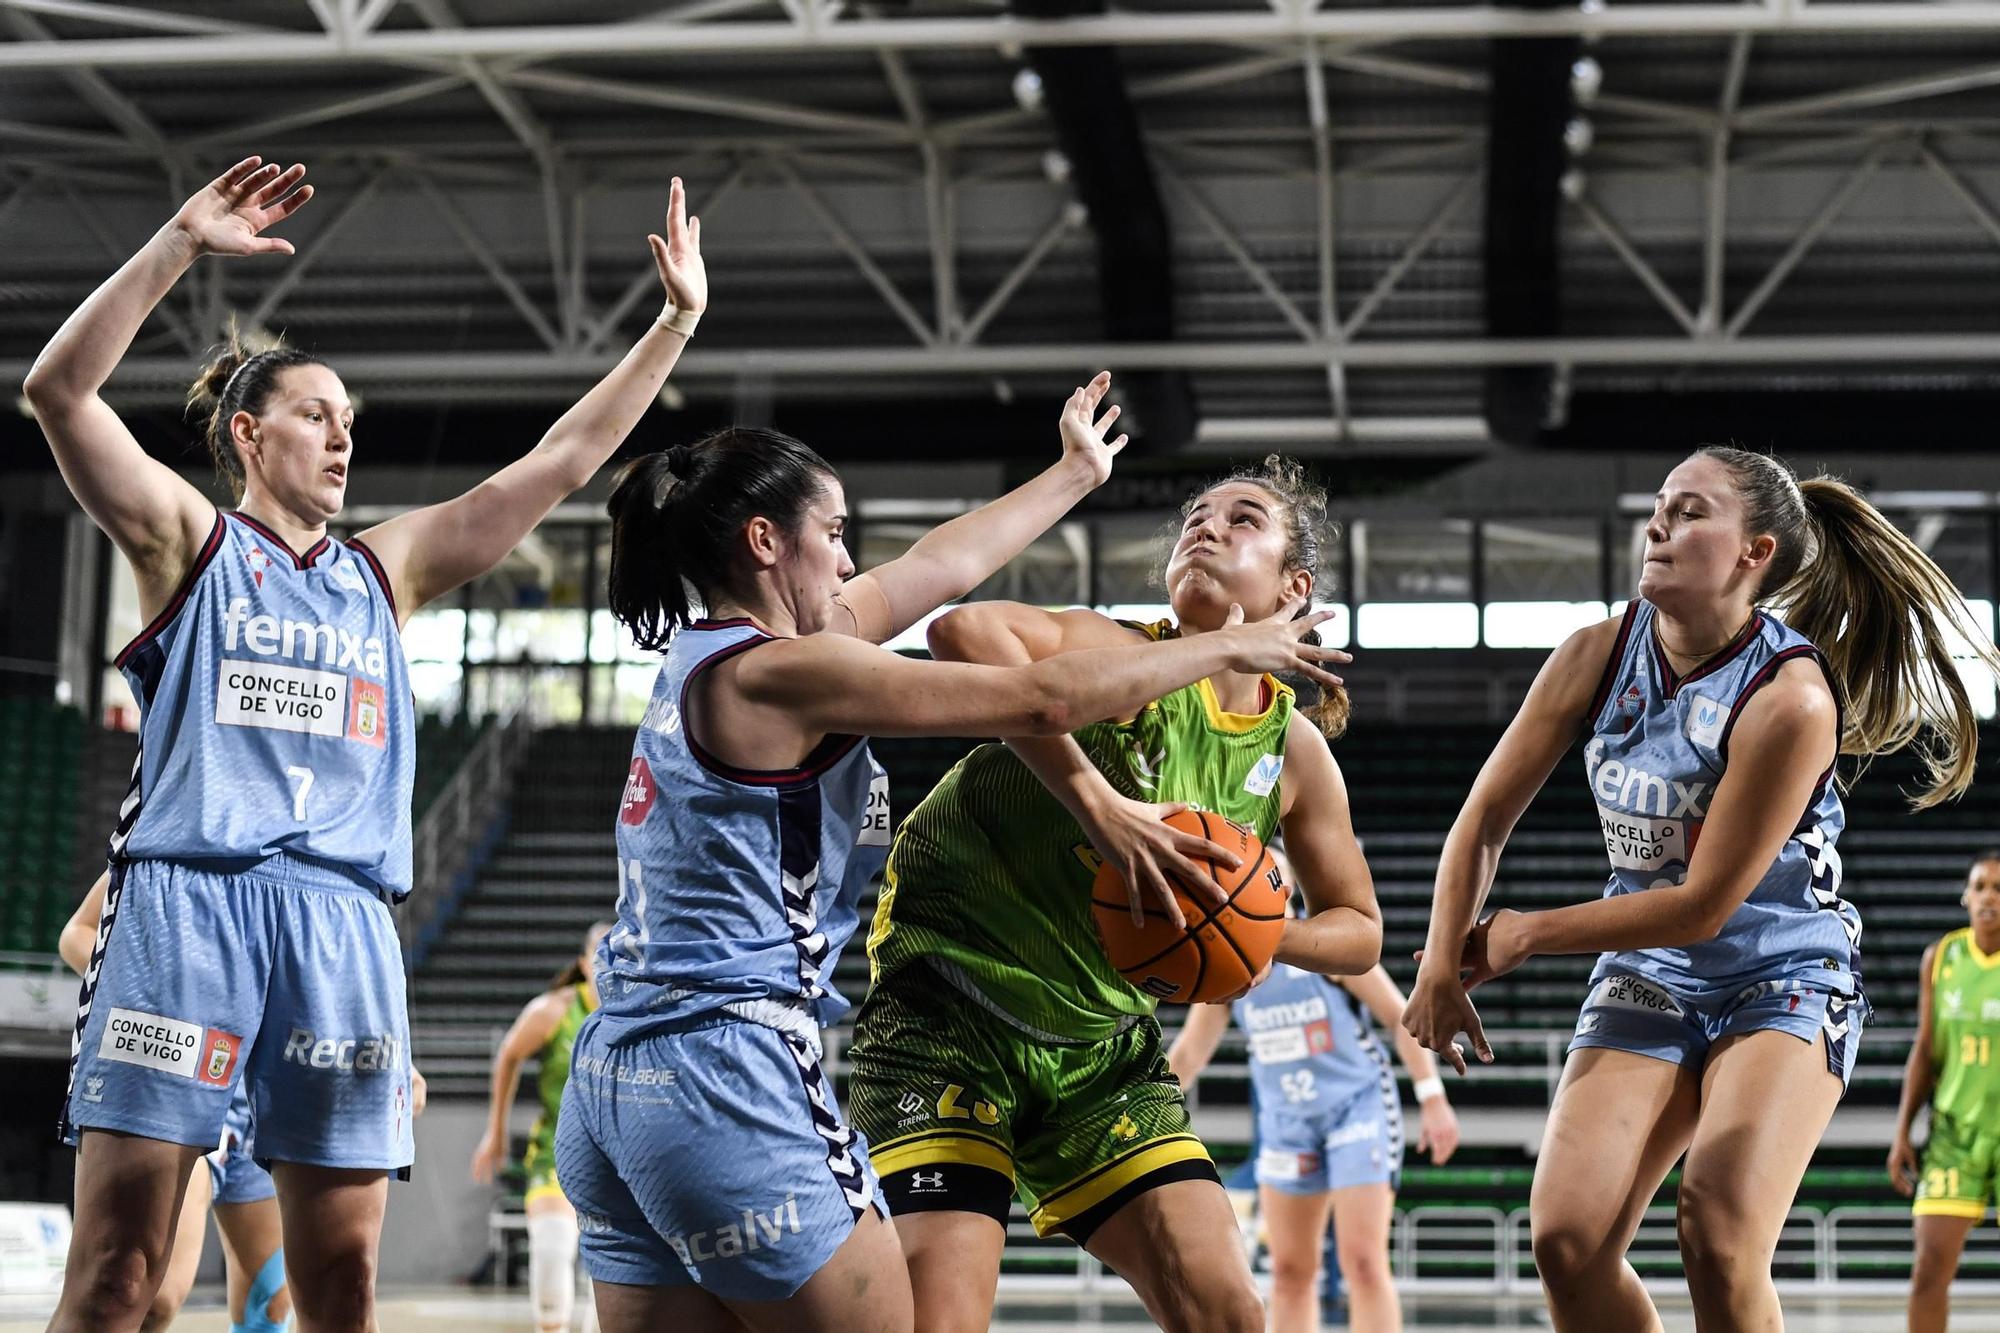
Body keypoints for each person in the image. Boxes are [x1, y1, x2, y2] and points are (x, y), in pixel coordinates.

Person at [25, 155, 706, 1332]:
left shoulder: (383, 572)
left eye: (351, 422)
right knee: (121, 1275)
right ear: (247, 432)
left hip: (342, 927)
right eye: (314, 415)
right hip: (185, 912)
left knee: (339, 1284)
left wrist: (674, 323)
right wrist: (181, 241)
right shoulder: (186, 544)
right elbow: (59, 392)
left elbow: (561, 463)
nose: (343, 439)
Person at [554, 390, 1348, 1333]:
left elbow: (940, 567)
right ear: (766, 542)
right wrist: (1226, 644)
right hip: (729, 1065)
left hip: (616, 1075)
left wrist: (1073, 475)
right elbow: (1039, 697)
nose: (851, 560)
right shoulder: (791, 672)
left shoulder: (734, 652)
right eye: (836, 532)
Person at [1401, 447, 2000, 1331]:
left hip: (1784, 972)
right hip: (1653, 969)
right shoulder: (1596, 653)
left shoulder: (1789, 698)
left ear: (1755, 551)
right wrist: (1439, 966)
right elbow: (1481, 820)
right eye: (1658, 506)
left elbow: (1701, 905)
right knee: (1567, 1240)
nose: (1656, 524)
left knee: (1716, 1234)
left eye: (1688, 511)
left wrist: (1521, 933)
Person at [845, 455, 1384, 1333]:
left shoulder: (1292, 752)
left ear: (1296, 586)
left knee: (1228, 1313)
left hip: (1101, 1049)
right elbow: (965, 633)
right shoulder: (1122, 651)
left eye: (1242, 519)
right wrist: (1102, 808)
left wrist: (1246, 927)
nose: (1206, 527)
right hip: (951, 1009)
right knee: (939, 1321)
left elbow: (1359, 932)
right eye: (1195, 517)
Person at [56, 870, 430, 1333]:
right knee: (149, 1294)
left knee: (273, 1302)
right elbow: (77, 931)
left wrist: (399, 1062)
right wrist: (156, 988)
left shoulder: (334, 857)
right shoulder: (185, 841)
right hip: (192, 1073)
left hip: (266, 1098)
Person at [1168, 887, 1460, 1333]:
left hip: (1356, 1107)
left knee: (1362, 1261)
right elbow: (1188, 1056)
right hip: (1287, 1123)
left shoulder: (1326, 945)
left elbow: (1401, 1019)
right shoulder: (1228, 967)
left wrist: (1432, 1097)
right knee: (1288, 1272)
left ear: (1284, 892)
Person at [471, 924, 612, 1333]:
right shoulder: (554, 1010)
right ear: (584, 965)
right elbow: (509, 1055)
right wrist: (494, 1132)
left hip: (622, 1157)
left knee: (612, 1273)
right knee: (552, 1247)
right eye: (600, 958)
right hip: (559, 1148)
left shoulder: (642, 1009)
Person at [1890, 850, 2000, 1333]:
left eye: (1999, 889)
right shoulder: (1942, 957)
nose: (1990, 898)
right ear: (1966, 896)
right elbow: (1927, 1050)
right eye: (1981, 887)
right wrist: (1901, 1133)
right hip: (1954, 1135)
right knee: (1928, 1273)